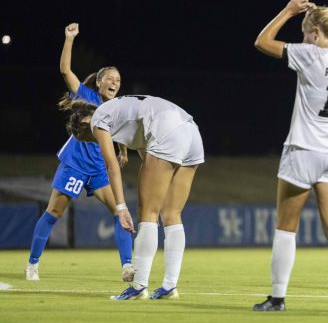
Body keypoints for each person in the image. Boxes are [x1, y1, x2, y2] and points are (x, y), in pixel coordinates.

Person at [252, 0, 328, 313]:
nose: (303, 38)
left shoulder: (311, 55)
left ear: (318, 33)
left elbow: (262, 42)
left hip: (304, 151)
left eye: (307, 32)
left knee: (285, 226)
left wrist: (288, 11)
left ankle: (277, 298)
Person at [63, 94, 204, 300]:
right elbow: (148, 154)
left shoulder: (97, 120)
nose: (93, 140)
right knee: (171, 213)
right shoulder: (123, 116)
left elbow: (111, 166)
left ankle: (138, 287)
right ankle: (169, 287)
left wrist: (121, 208)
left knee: (147, 211)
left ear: (83, 124)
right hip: (191, 131)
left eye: (87, 139)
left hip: (167, 129)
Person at [25, 23, 133, 282]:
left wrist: (125, 151)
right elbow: (65, 70)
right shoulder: (87, 95)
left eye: (118, 80)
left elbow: (123, 129)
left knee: (122, 212)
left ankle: (128, 266)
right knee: (53, 213)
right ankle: (33, 263)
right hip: (74, 163)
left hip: (98, 169)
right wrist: (69, 39)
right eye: (110, 78)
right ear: (98, 82)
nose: (114, 83)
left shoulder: (119, 106)